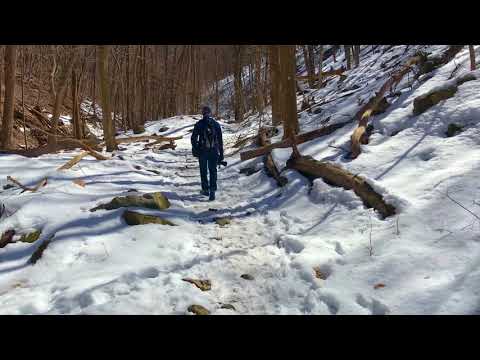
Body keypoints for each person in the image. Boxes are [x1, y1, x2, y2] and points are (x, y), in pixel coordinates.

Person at [191, 106, 224, 201]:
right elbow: (220, 141)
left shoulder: (199, 124)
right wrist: (221, 154)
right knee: (213, 170)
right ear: (210, 113)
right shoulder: (216, 124)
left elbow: (193, 138)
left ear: (202, 113)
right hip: (214, 150)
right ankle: (212, 190)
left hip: (202, 151)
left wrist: (195, 148)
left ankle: (205, 189)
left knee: (203, 170)